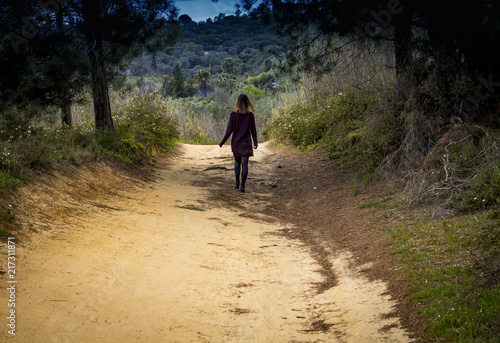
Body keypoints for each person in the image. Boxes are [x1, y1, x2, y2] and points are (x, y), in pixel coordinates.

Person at [219, 94, 258, 193]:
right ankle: (242, 186)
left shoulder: (233, 115)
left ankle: (237, 183)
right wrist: (255, 142)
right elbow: (253, 130)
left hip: (236, 142)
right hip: (246, 142)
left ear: (237, 103)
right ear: (247, 103)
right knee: (245, 163)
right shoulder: (250, 116)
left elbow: (229, 130)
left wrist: (222, 142)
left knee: (237, 162)